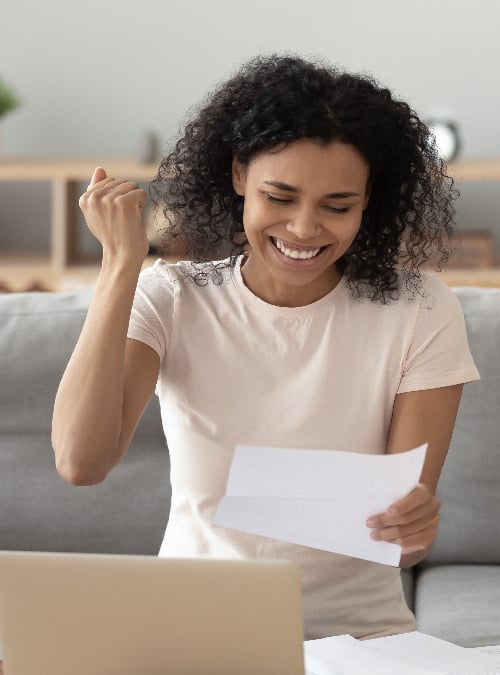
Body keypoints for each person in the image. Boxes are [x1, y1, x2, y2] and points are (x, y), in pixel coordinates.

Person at [52, 54, 479, 640]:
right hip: (194, 628)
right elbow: (81, 462)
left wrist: (413, 527)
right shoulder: (173, 297)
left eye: (338, 206)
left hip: (360, 637)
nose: (305, 229)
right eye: (280, 197)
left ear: (369, 202)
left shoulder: (420, 307)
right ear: (238, 177)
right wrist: (122, 264)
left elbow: (402, 542)